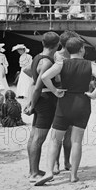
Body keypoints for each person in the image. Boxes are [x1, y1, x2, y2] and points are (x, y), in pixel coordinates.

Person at [35, 37, 96, 185]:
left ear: (67, 50)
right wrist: (94, 94)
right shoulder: (90, 64)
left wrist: (55, 91)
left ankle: (49, 171)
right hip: (82, 103)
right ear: (82, 49)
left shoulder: (62, 62)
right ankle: (73, 175)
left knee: (55, 140)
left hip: (65, 102)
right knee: (76, 141)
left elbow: (44, 76)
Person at [24, 32, 60, 181]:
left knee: (33, 137)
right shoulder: (47, 62)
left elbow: (27, 72)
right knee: (39, 139)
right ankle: (33, 173)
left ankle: (33, 169)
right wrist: (32, 104)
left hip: (39, 99)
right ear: (57, 45)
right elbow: (38, 86)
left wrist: (32, 101)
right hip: (45, 100)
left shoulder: (37, 58)